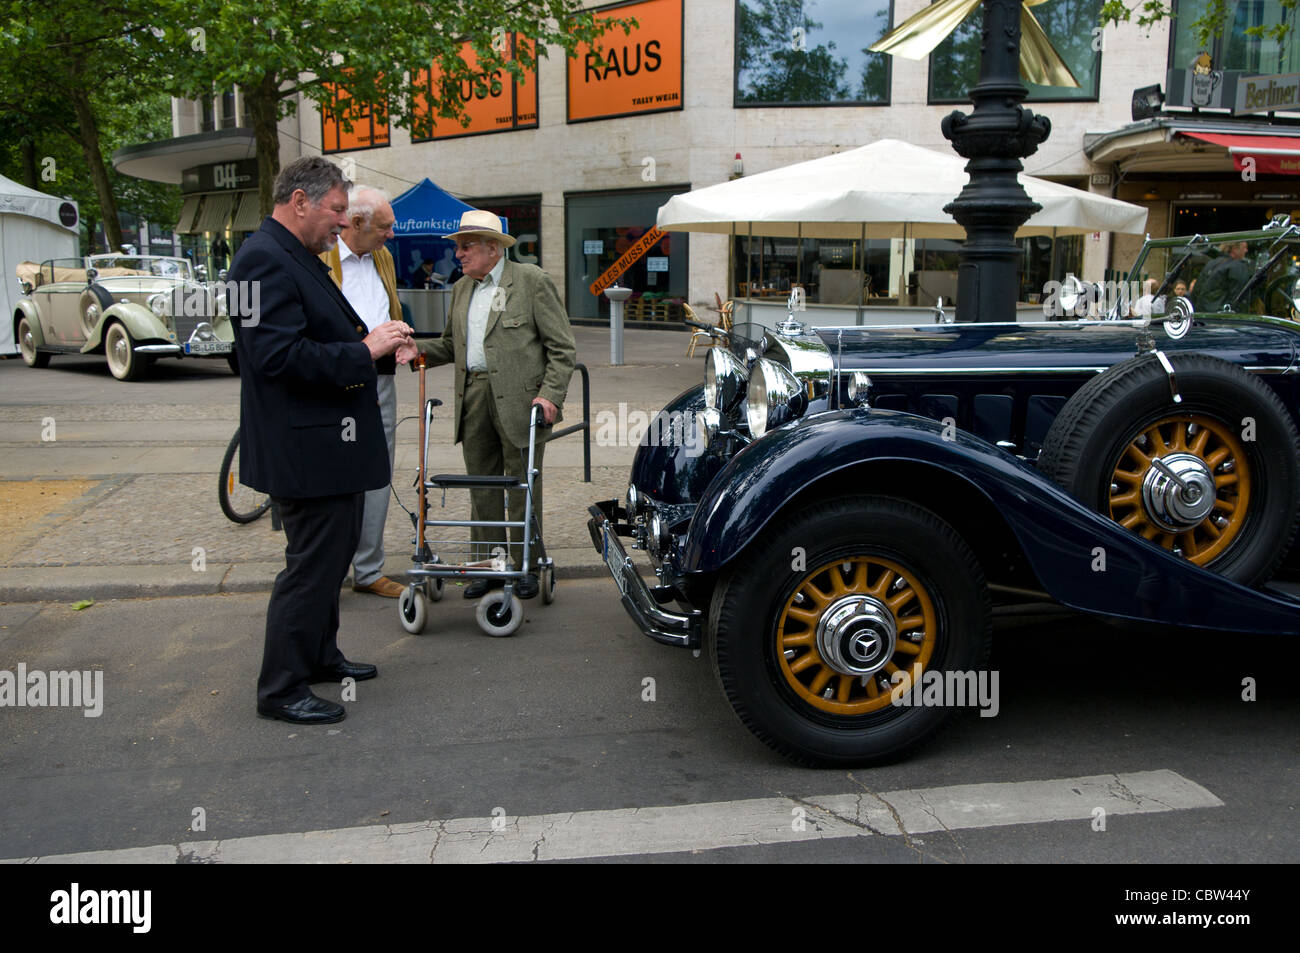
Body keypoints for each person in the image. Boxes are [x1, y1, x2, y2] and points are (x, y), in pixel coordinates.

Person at [229, 156, 413, 725]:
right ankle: (281, 687)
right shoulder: (260, 260)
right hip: (304, 450)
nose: (342, 222)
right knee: (310, 567)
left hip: (328, 446)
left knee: (331, 560)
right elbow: (271, 357)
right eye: (336, 211)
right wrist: (366, 351)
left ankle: (319, 655)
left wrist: (377, 344)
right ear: (300, 201)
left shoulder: (294, 254)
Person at [402, 209, 575, 599]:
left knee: (522, 486)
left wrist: (550, 395)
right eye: (459, 248)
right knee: (482, 486)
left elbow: (561, 347)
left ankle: (523, 565)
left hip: (522, 400)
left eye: (466, 247)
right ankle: (490, 567)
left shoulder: (531, 281)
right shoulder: (462, 288)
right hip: (474, 396)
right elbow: (450, 345)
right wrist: (416, 350)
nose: (458, 255)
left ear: (493, 249)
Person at [319, 185, 405, 599]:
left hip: (382, 378)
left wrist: (400, 335)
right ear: (356, 224)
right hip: (339, 379)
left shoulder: (383, 257)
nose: (391, 234)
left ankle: (368, 570)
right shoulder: (321, 259)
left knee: (378, 472)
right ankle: (328, 572)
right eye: (384, 227)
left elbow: (388, 305)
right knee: (335, 476)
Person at [1195, 241, 1251, 313]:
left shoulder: (1211, 263)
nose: (1246, 250)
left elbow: (1197, 290)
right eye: (1244, 247)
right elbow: (1240, 298)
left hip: (1203, 316)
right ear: (1234, 249)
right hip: (1224, 318)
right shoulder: (1238, 266)